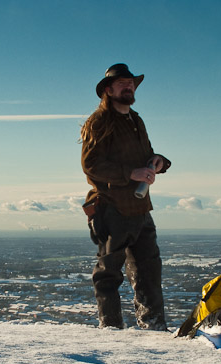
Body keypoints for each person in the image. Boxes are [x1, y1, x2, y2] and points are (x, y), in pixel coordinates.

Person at [80, 63, 171, 330]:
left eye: (131, 82)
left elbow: (146, 156)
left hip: (141, 210)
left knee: (149, 275)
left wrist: (159, 162)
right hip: (112, 209)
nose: (129, 86)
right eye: (122, 83)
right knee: (108, 275)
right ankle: (112, 333)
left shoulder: (136, 121)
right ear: (108, 90)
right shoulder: (98, 122)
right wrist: (131, 172)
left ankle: (154, 330)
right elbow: (91, 165)